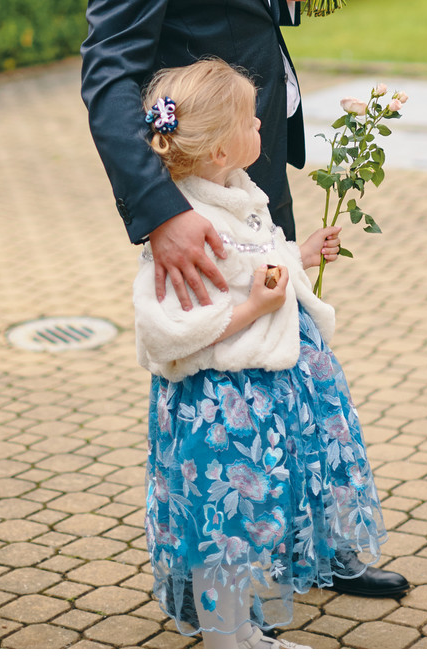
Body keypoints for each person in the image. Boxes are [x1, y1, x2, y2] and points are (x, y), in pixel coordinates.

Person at [81, 0, 408, 600]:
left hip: (252, 158)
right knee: (221, 387)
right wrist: (162, 213)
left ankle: (312, 548)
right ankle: (222, 582)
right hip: (203, 191)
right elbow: (109, 76)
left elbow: (228, 1)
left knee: (292, 354)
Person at [135, 59, 393, 648]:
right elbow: (165, 329)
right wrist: (251, 311)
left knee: (252, 520)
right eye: (252, 121)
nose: (262, 126)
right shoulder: (183, 226)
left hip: (260, 394)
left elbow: (251, 263)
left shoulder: (237, 195)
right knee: (225, 521)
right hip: (222, 406)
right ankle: (230, 642)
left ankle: (238, 630)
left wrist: (298, 255)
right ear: (221, 149)